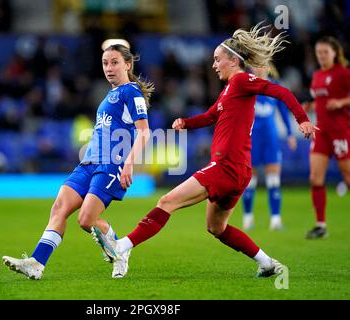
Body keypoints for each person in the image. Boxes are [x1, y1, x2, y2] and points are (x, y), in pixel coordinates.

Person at [92, 23, 317, 278]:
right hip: (238, 170)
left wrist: (302, 119)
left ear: (233, 61)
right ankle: (266, 263)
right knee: (216, 227)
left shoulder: (243, 80)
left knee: (167, 201)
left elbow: (280, 90)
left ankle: (122, 246)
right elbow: (211, 116)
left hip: (226, 166)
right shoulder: (230, 90)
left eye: (217, 59)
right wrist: (186, 123)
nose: (214, 65)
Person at [2, 41, 154, 279]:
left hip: (110, 165)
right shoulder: (110, 95)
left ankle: (120, 250)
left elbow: (144, 132)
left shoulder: (131, 92)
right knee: (59, 208)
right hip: (89, 164)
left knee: (86, 219)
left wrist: (129, 164)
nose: (109, 68)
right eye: (105, 63)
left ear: (128, 64)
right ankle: (36, 263)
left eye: (115, 62)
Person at [303, 36, 350, 239]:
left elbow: (340, 99)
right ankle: (321, 225)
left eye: (325, 52)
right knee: (315, 178)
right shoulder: (317, 75)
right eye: (318, 52)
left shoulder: (343, 73)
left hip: (340, 131)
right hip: (321, 132)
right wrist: (311, 106)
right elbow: (320, 100)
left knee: (348, 177)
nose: (321, 56)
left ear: (334, 53)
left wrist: (341, 102)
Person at [242, 64, 298, 231]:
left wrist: (290, 133)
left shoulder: (275, 87)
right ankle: (248, 217)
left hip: (271, 139)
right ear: (251, 67)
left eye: (262, 64)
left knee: (274, 180)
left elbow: (283, 111)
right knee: (249, 182)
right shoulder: (247, 85)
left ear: (268, 66)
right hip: (252, 140)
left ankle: (275, 219)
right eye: (256, 65)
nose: (259, 68)